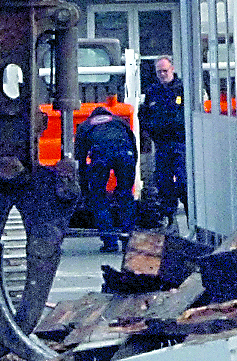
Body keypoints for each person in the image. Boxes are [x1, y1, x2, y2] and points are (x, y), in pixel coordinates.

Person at [73, 105, 137, 252]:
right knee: (125, 196)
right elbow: (134, 148)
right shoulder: (120, 122)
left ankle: (110, 242)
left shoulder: (85, 126)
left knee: (98, 197)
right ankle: (128, 241)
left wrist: (84, 190)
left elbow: (80, 160)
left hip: (101, 158)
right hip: (125, 155)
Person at [140, 55, 187, 226]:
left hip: (181, 143)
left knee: (183, 181)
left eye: (165, 71)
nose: (162, 74)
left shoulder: (183, 89)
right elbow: (144, 116)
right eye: (159, 71)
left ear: (172, 69)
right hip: (161, 144)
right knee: (163, 183)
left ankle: (191, 218)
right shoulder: (152, 92)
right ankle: (170, 220)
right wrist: (150, 130)